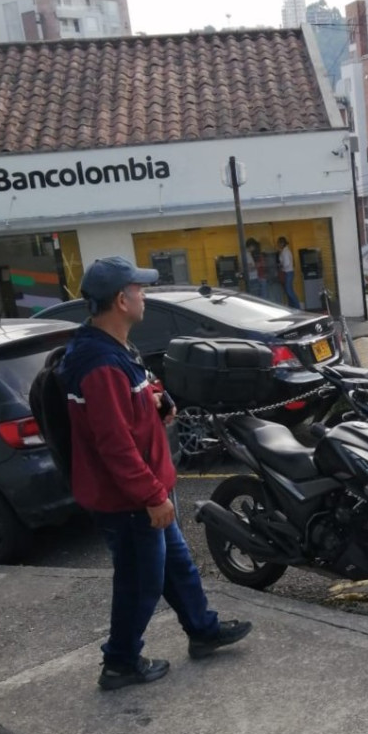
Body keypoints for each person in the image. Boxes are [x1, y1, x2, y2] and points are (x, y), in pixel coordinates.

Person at [61, 256, 252, 691]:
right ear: (120, 300)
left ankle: (202, 631)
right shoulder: (100, 364)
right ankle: (120, 663)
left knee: (177, 566)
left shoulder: (113, 347)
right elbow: (114, 443)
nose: (144, 295)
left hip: (142, 492)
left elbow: (132, 400)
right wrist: (151, 495)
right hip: (129, 501)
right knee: (140, 582)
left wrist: (156, 401)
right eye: (139, 289)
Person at [277, 236, 301, 308]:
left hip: (287, 272)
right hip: (289, 272)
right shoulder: (286, 251)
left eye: (278, 243)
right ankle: (293, 307)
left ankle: (297, 307)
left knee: (289, 291)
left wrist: (281, 267)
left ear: (282, 243)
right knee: (289, 291)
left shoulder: (285, 252)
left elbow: (286, 264)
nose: (278, 245)